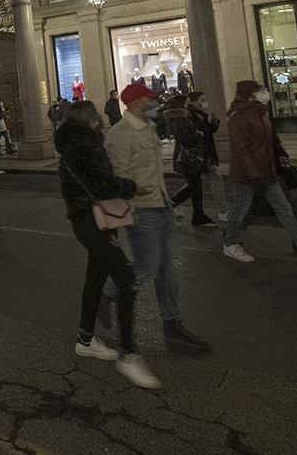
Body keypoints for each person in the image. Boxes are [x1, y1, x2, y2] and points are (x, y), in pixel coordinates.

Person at [55, 101, 160, 390]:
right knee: (126, 281)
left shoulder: (81, 143)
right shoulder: (79, 145)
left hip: (93, 219)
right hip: (89, 221)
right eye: (96, 115)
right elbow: (99, 184)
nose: (101, 119)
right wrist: (130, 188)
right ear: (87, 118)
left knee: (96, 277)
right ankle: (129, 355)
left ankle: (85, 340)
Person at [104, 82, 212, 350]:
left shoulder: (149, 127)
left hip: (161, 204)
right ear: (137, 103)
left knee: (171, 271)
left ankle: (172, 324)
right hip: (141, 209)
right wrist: (129, 203)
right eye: (151, 100)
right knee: (146, 266)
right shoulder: (120, 134)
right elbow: (115, 178)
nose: (157, 103)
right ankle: (106, 292)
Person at [223, 80, 297, 267]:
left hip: (267, 172)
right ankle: (230, 243)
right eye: (259, 90)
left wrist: (278, 155)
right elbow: (241, 150)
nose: (264, 92)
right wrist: (255, 175)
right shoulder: (240, 116)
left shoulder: (260, 112)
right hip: (247, 177)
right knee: (240, 211)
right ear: (250, 94)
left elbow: (268, 141)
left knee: (286, 211)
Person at [165, 96, 214, 227]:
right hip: (187, 158)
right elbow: (184, 139)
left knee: (195, 186)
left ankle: (198, 214)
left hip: (190, 157)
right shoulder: (180, 119)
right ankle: (170, 205)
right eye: (186, 101)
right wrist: (199, 134)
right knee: (194, 186)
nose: (188, 102)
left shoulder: (183, 118)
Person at [184, 91, 227, 222]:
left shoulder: (200, 115)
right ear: (192, 102)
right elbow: (198, 135)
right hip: (202, 154)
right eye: (201, 99)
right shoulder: (191, 117)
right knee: (215, 180)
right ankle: (223, 210)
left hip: (205, 153)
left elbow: (208, 132)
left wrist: (215, 122)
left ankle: (172, 205)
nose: (204, 101)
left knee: (193, 184)